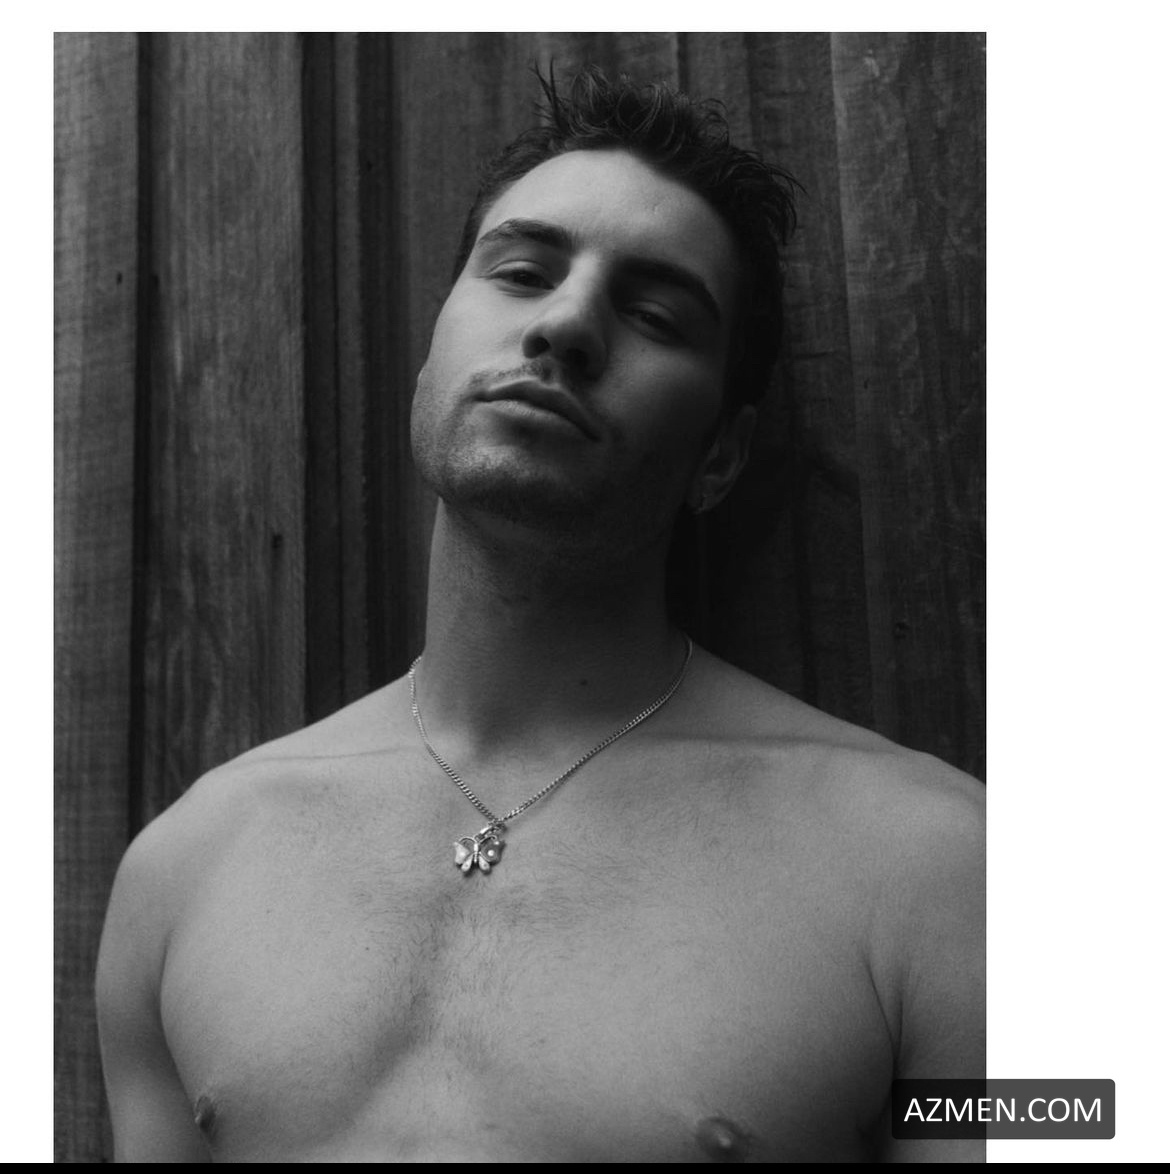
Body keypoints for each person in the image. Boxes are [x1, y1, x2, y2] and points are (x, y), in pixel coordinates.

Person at [96, 67, 984, 1163]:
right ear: (431, 356)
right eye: (521, 272)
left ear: (721, 454)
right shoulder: (183, 871)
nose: (565, 323)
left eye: (655, 314)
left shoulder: (942, 873)